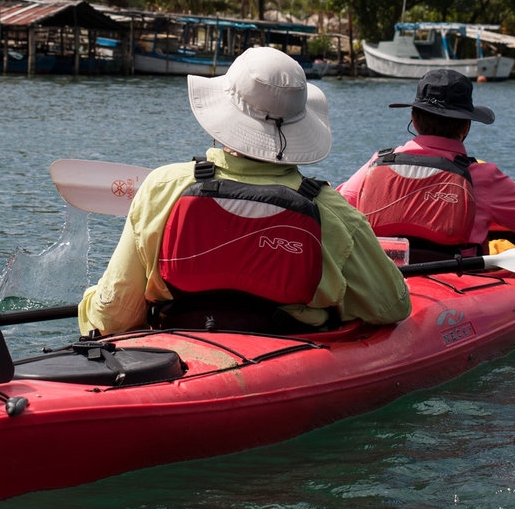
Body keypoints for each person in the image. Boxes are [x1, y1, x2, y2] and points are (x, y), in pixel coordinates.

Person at [77, 47, 413, 336]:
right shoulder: (333, 212)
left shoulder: (162, 187)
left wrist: (91, 301)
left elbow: (113, 317)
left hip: (179, 343)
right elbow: (391, 306)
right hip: (290, 355)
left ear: (223, 118)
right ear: (299, 122)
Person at [337, 68, 515, 261]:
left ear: (414, 119)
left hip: (384, 278)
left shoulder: (377, 163)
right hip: (455, 281)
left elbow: (337, 208)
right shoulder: (481, 177)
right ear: (466, 127)